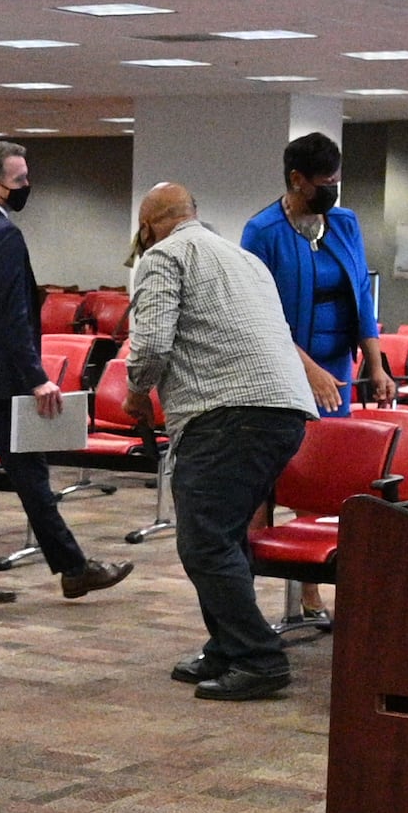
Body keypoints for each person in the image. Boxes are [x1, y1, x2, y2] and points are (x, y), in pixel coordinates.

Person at [125, 182, 317, 700]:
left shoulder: (163, 256)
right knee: (225, 535)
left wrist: (136, 391)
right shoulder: (244, 259)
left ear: (147, 227)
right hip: (282, 412)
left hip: (225, 413)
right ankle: (228, 646)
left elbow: (151, 344)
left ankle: (258, 658)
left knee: (205, 540)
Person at [0, 139, 129, 605]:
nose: (26, 186)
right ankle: (72, 569)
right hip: (2, 378)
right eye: (19, 180)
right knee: (28, 474)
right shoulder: (2, 235)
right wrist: (36, 376)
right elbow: (12, 314)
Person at [239, 132, 390, 414]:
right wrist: (309, 371)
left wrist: (376, 366)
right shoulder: (262, 232)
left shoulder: (346, 224)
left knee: (332, 447)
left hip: (337, 366)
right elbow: (257, 317)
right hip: (284, 365)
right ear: (297, 179)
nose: (332, 190)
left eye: (336, 182)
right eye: (325, 184)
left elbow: (361, 295)